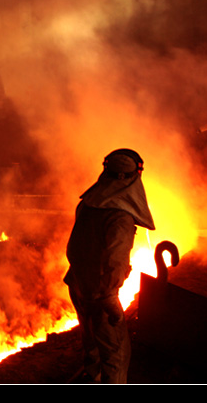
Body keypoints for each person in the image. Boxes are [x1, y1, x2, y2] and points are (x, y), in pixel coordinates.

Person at [63, 148, 156, 383]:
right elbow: (115, 260)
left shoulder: (88, 204)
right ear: (133, 177)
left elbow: (74, 247)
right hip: (101, 294)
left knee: (91, 343)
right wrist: (110, 297)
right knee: (116, 353)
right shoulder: (120, 217)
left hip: (77, 284)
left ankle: (92, 377)